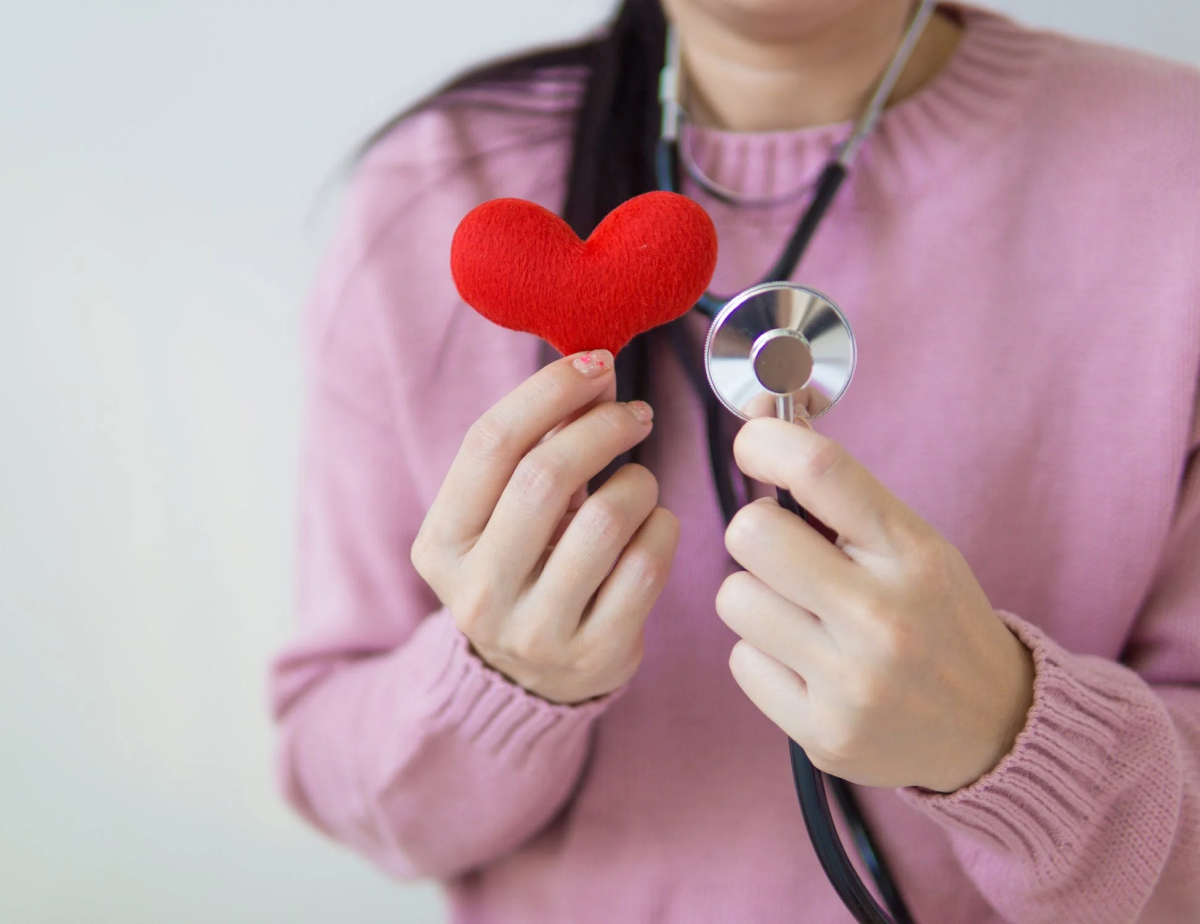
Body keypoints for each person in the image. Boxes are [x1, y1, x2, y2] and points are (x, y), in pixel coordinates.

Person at [269, 1, 1200, 921]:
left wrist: (1007, 738)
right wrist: (495, 685)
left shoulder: (1173, 165)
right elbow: (340, 778)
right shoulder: (430, 188)